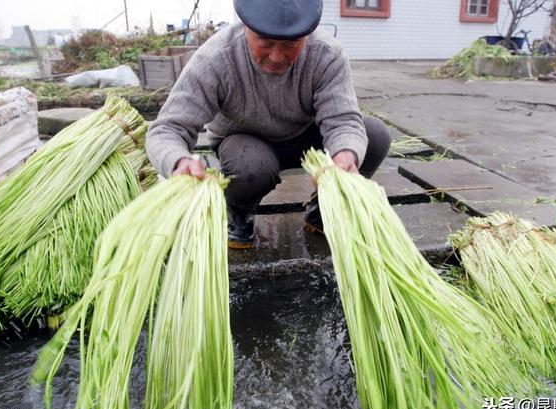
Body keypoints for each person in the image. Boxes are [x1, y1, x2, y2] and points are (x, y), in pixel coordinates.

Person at [146, 0, 390, 249]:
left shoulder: (326, 53)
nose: (276, 56)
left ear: (306, 35)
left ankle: (325, 210)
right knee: (252, 167)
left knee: (374, 135)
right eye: (264, 41)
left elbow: (343, 121)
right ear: (246, 27)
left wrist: (345, 156)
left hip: (303, 139)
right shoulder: (216, 58)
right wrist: (178, 161)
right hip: (244, 143)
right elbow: (167, 129)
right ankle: (238, 213)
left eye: (290, 44)